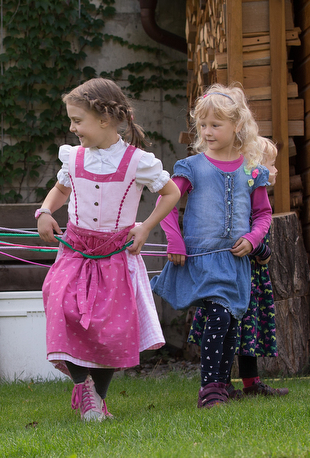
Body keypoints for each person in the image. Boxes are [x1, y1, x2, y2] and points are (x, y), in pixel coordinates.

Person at [37, 78, 180, 422]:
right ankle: (82, 384)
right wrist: (44, 211)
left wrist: (146, 226)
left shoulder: (138, 161)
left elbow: (172, 192)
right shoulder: (73, 158)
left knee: (108, 327)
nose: (72, 128)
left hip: (114, 256)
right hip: (75, 249)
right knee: (59, 303)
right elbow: (60, 189)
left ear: (104, 119)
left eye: (77, 120)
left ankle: (96, 399)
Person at [150, 83, 272, 408]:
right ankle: (210, 389)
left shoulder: (252, 170)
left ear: (237, 127)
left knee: (231, 323)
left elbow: (262, 215)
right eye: (203, 125)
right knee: (218, 316)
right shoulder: (192, 167)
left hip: (236, 263)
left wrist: (252, 238)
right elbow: (167, 203)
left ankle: (222, 384)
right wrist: (174, 240)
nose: (207, 131)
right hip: (202, 261)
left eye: (215, 125)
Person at [187, 136, 288, 398]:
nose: (274, 170)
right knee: (234, 328)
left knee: (247, 334)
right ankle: (222, 384)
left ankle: (246, 383)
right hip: (237, 276)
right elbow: (250, 242)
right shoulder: (242, 194)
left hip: (252, 283)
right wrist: (261, 250)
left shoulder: (255, 199)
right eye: (270, 164)